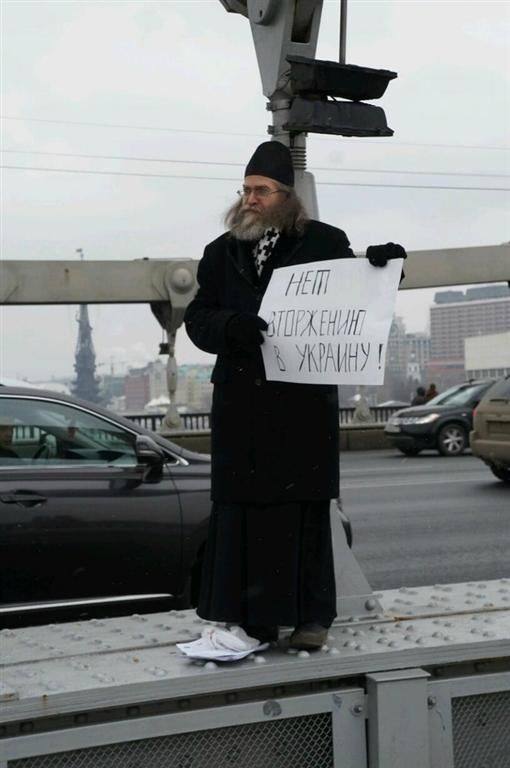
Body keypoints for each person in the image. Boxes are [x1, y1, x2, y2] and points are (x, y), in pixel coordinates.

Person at [184, 140, 405, 650]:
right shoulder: (220, 253)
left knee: (301, 515)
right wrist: (230, 326)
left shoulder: (324, 241)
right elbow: (197, 319)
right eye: (246, 190)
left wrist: (384, 265)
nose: (250, 199)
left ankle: (310, 619)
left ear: (287, 196)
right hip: (242, 406)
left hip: (299, 409)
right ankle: (255, 621)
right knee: (244, 515)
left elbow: (357, 294)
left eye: (261, 190)